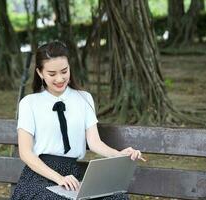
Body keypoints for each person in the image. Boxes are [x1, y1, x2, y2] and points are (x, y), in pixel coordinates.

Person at [11, 41, 146, 200]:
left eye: (64, 71)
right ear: (40, 73)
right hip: (39, 176)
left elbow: (94, 142)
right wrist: (59, 178)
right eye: (52, 74)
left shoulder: (84, 98)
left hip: (73, 175)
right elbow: (26, 153)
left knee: (117, 198)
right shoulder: (29, 103)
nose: (60, 78)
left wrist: (119, 155)